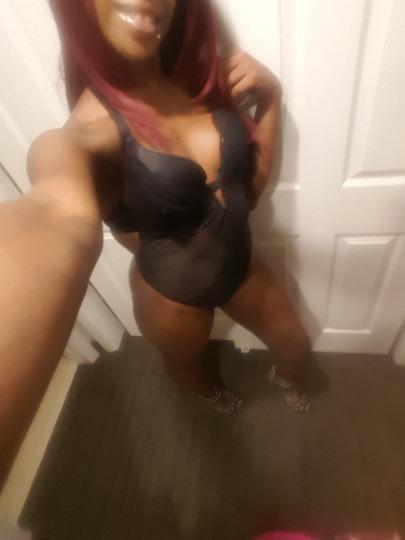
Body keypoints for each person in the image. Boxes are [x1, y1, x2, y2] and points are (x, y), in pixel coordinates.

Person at [1, 0, 312, 487]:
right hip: (171, 297)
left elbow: (246, 192)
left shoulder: (197, 81)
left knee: (295, 344)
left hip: (240, 264)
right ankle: (210, 393)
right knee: (187, 368)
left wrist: (270, 97)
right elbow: (54, 212)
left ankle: (284, 378)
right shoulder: (85, 134)